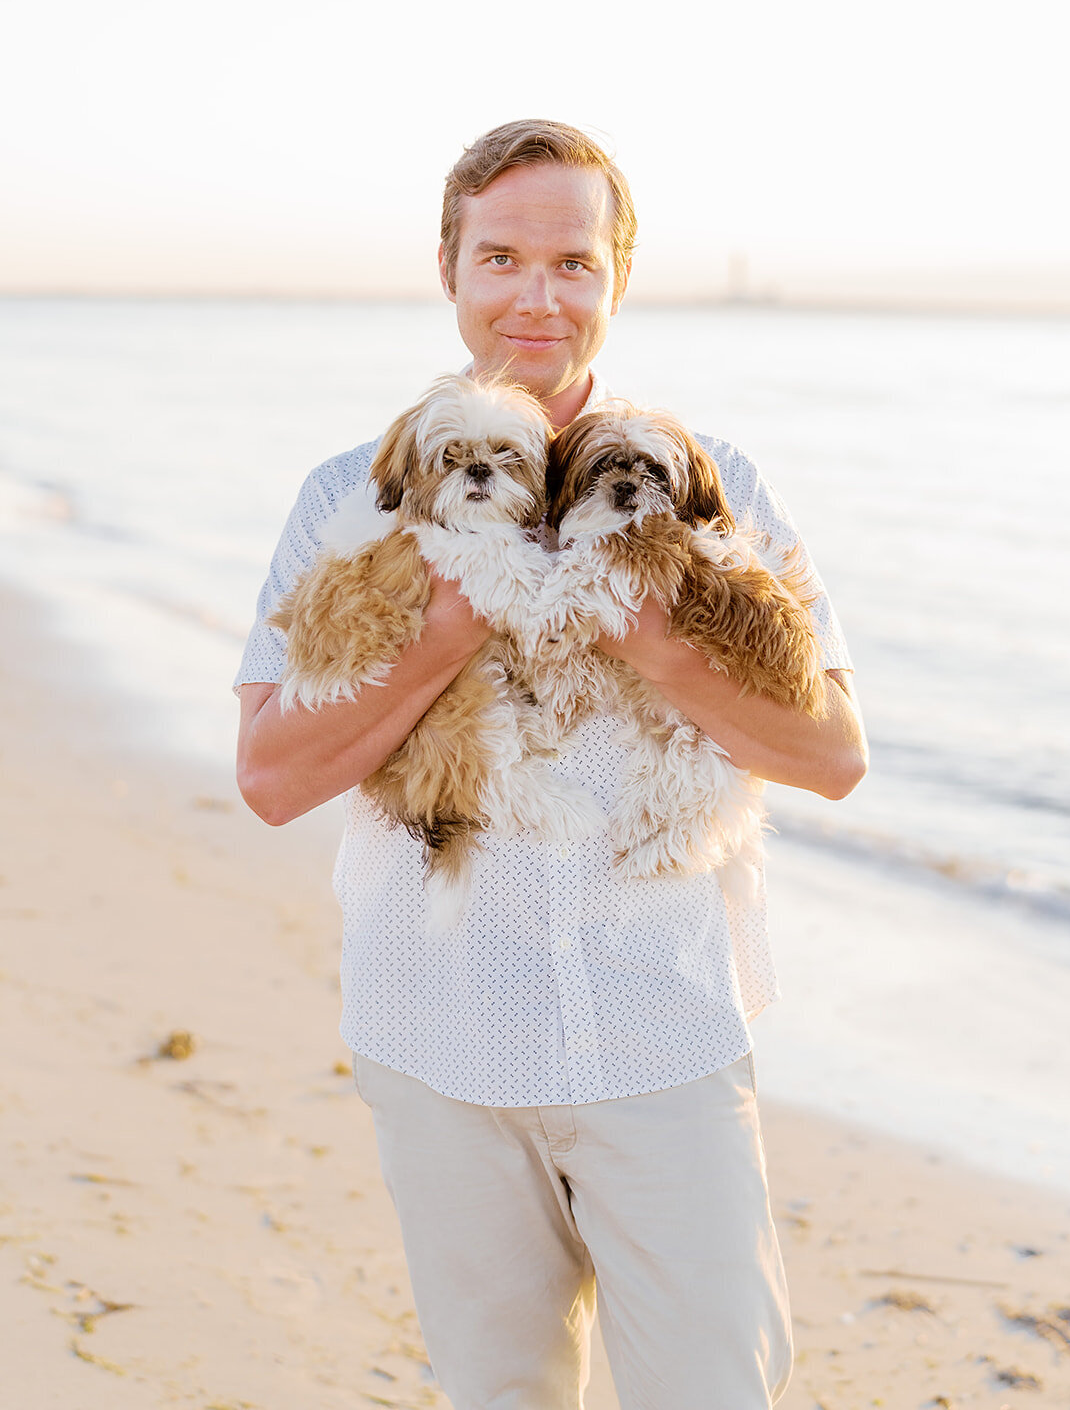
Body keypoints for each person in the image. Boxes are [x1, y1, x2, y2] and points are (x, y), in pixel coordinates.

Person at [235, 119, 868, 1409]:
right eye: (503, 256)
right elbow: (269, 775)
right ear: (452, 269)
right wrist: (442, 633)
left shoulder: (713, 483)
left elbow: (835, 754)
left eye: (574, 263)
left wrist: (658, 642)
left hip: (664, 1035)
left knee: (715, 1386)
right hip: (438, 1032)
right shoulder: (345, 498)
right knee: (500, 1391)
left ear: (616, 278)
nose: (537, 295)